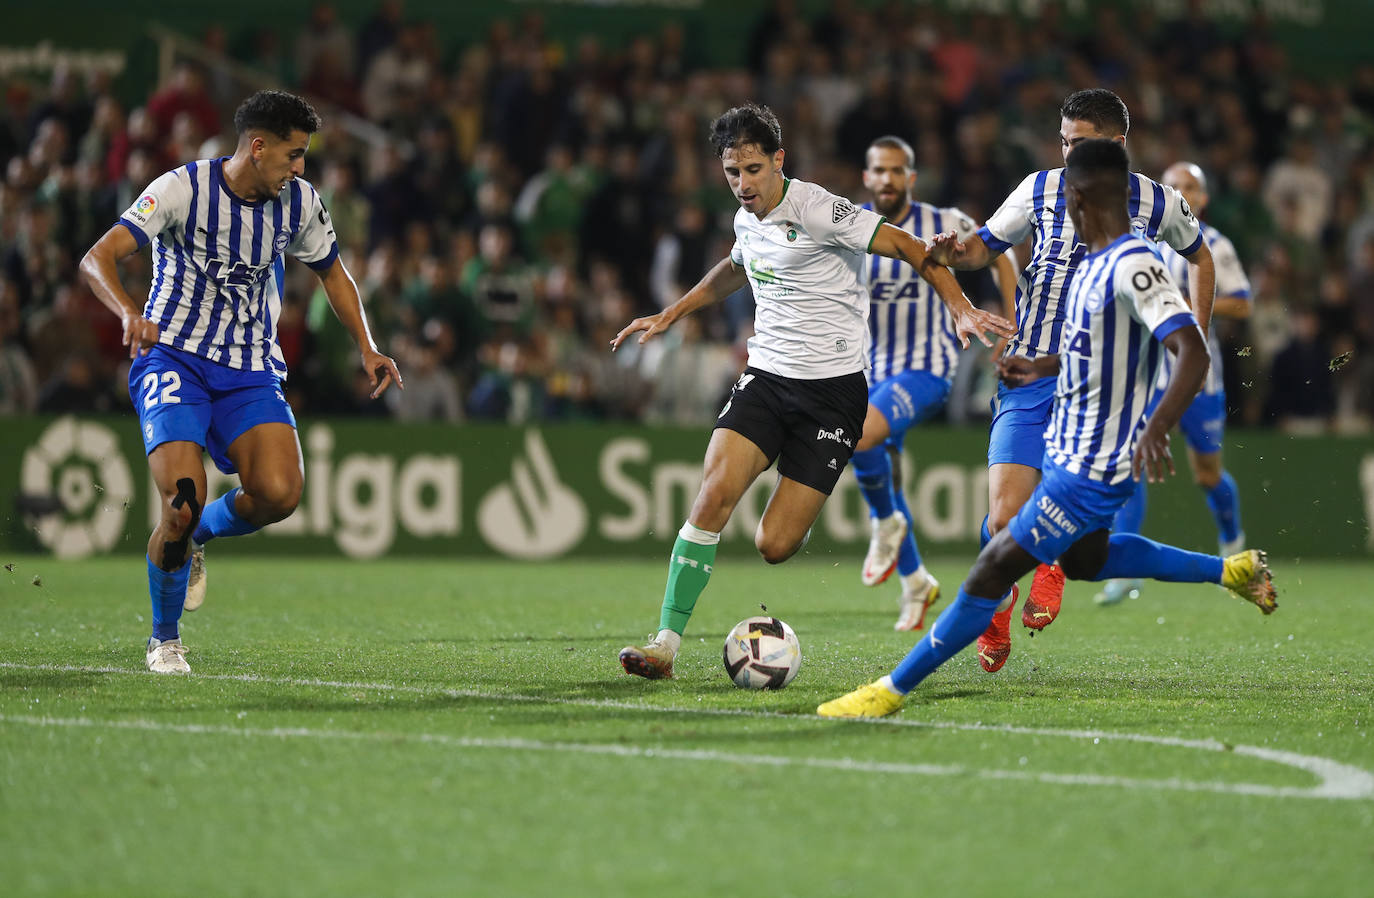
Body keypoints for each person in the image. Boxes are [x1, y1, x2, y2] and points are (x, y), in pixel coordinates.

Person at [817, 139, 1276, 719]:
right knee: (1088, 559)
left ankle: (889, 691)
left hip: (1090, 467)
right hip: (1067, 440)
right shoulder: (1090, 268)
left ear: (1080, 199)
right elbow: (1090, 351)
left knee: (992, 565)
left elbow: (1191, 348)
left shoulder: (1136, 266)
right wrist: (1037, 366)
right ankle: (1230, 570)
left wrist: (1159, 424)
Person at [613, 103, 1013, 679]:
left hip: (833, 395)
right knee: (712, 496)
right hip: (767, 379)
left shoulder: (822, 209)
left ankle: (878, 526)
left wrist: (961, 306)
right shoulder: (744, 219)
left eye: (753, 170)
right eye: (732, 173)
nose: (743, 185)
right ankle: (665, 646)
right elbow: (734, 267)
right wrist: (671, 313)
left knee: (774, 544)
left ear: (779, 160)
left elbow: (906, 246)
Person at [79, 90, 402, 674]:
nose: (300, 167)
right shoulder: (183, 188)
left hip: (249, 368)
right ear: (258, 147)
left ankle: (200, 534)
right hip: (173, 359)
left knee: (280, 493)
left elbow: (333, 273)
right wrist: (128, 311)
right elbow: (97, 257)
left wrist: (367, 345)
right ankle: (164, 639)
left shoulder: (299, 203)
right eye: (293, 155)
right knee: (179, 502)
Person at [925, 88, 1217, 673]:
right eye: (1062, 141)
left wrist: (1194, 333)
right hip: (1030, 370)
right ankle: (1002, 598)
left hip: (1103, 387)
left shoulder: (1160, 202)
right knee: (1005, 517)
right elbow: (985, 246)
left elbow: (1200, 258)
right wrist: (954, 253)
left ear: (1116, 145)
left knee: (1071, 522)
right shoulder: (1039, 188)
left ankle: (1051, 564)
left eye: (1078, 143)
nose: (1066, 154)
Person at [852, 135, 1018, 631]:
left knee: (859, 437)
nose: (887, 179)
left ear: (911, 177)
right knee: (882, 471)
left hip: (927, 368)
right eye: (878, 170)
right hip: (867, 372)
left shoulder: (943, 221)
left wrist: (1013, 321)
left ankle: (883, 526)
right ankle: (915, 582)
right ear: (866, 177)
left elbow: (1002, 257)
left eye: (896, 170)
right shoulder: (852, 223)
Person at [1097, 161, 1251, 605]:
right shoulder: (1142, 244)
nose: (1182, 191)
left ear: (1201, 199)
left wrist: (1189, 305)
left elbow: (1242, 304)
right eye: (1175, 185)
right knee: (1130, 464)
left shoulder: (1216, 247)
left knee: (1207, 474)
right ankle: (1126, 574)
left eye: (1190, 187)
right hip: (1146, 376)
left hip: (1200, 379)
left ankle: (1231, 542)